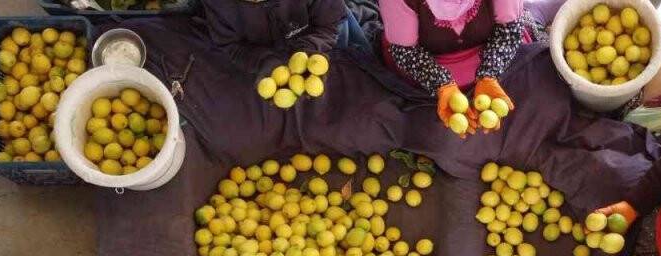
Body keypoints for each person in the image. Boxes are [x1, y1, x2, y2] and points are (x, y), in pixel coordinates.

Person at [378, 0, 524, 136]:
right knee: (438, 137)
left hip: (495, 57)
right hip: (424, 70)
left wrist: (489, 74)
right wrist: (441, 84)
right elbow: (405, 51)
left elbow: (509, 30)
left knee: (525, 112)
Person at [204, 0, 351, 74]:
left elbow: (330, 24)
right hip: (265, 70)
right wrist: (263, 61)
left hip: (325, 44)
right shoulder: (218, 5)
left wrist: (310, 48)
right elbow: (230, 46)